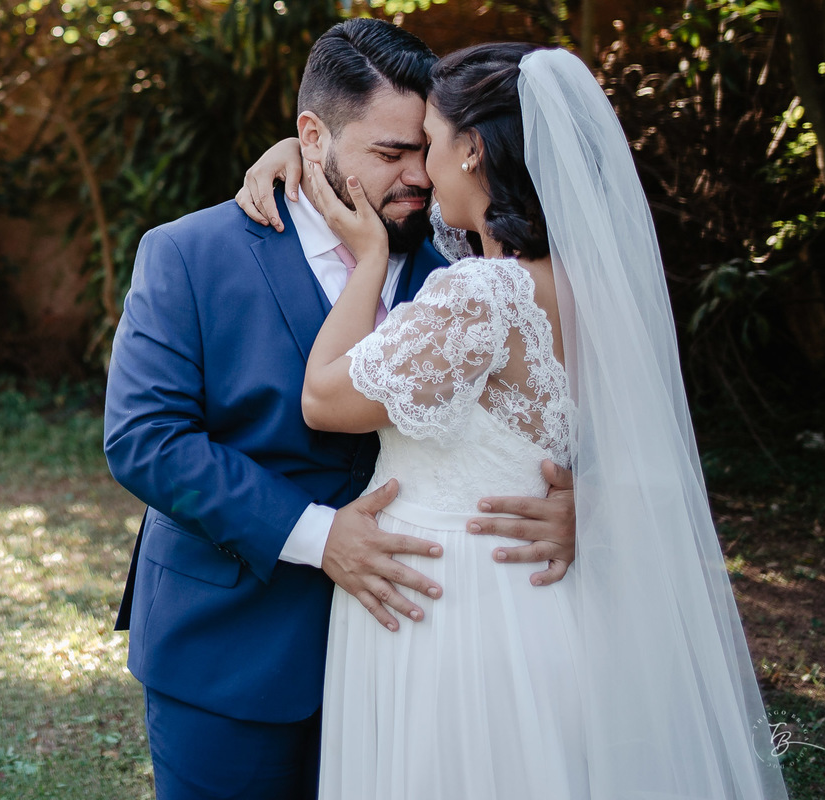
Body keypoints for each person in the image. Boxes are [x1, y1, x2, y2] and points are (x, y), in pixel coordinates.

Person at [241, 41, 788, 799]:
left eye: (428, 144)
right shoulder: (586, 286)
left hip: (452, 611)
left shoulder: (482, 295)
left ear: (472, 153)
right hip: (542, 601)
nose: (418, 170)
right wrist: (300, 151)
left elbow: (324, 401)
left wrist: (366, 261)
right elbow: (645, 448)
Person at [103, 21, 578, 800]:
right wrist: (319, 537)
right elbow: (145, 442)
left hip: (422, 659)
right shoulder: (191, 254)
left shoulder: (464, 267)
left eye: (423, 146)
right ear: (311, 136)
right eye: (389, 154)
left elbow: (550, 407)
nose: (417, 177)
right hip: (231, 646)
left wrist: (578, 503)